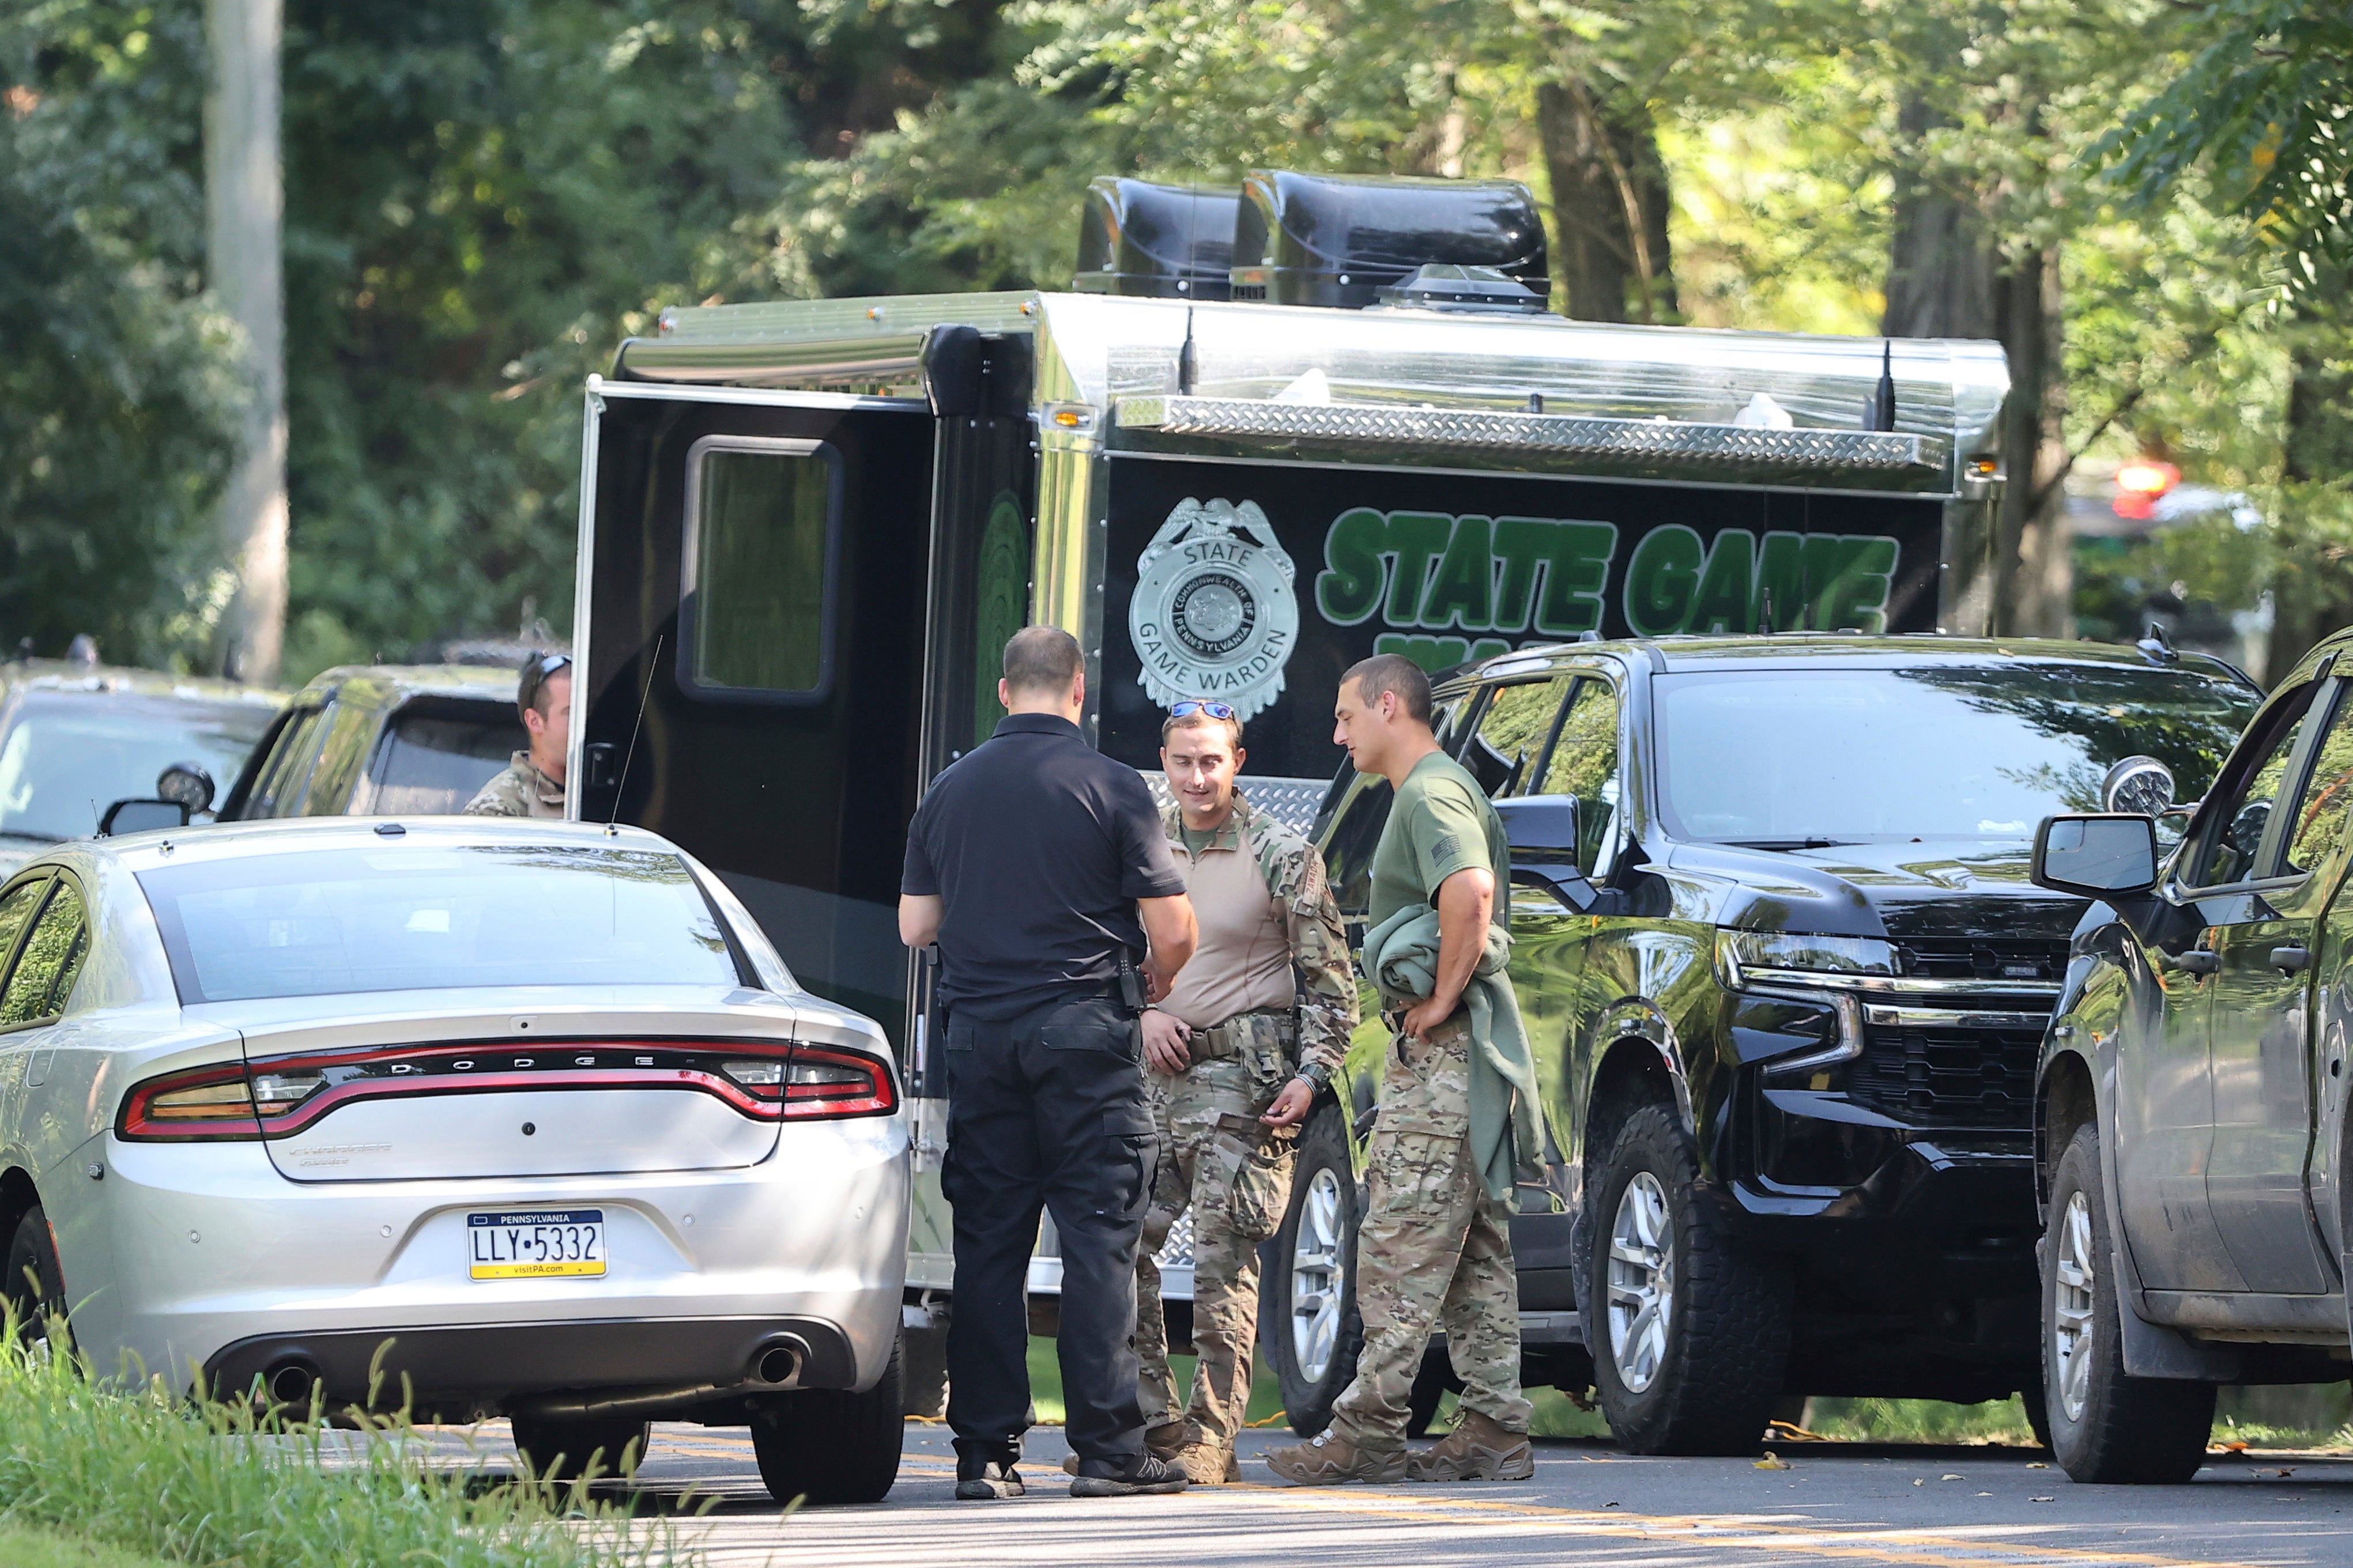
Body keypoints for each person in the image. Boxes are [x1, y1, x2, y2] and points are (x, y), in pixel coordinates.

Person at [899, 626, 1200, 1502]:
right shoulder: (1112, 786)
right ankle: (1108, 1450)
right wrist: (1155, 980)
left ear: (1004, 691)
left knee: (987, 1245)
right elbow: (1174, 927)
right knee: (1098, 1243)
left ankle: (982, 1454)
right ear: (1078, 691)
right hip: (1083, 1040)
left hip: (981, 1044)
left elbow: (917, 927)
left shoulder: (946, 790)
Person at [1066, 700, 1356, 1486]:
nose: (1197, 777)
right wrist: (1147, 1014)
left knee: (1226, 1266)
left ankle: (1210, 1438)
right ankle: (1150, 1422)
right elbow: (1100, 959)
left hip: (1244, 1086)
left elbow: (1331, 988)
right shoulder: (1136, 846)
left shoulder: (1283, 855)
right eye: (1183, 761)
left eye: (1212, 761)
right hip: (1147, 1082)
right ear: (1162, 761)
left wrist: (1310, 1077)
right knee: (1122, 1248)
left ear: (1238, 762)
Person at [1265, 653, 1537, 1486]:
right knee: (1473, 1250)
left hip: (1447, 1055)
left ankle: (1366, 1433)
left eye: (1348, 716)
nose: (1340, 733)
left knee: (1397, 1245)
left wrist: (1437, 1000)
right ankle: (1493, 1425)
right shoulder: (1438, 787)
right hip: (1469, 1063)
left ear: (1390, 706)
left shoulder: (1427, 791)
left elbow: (1470, 891)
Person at [463, 652, 570, 818]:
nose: (585, 723)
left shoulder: (600, 797)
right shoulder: (499, 810)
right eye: (571, 713)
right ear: (535, 721)